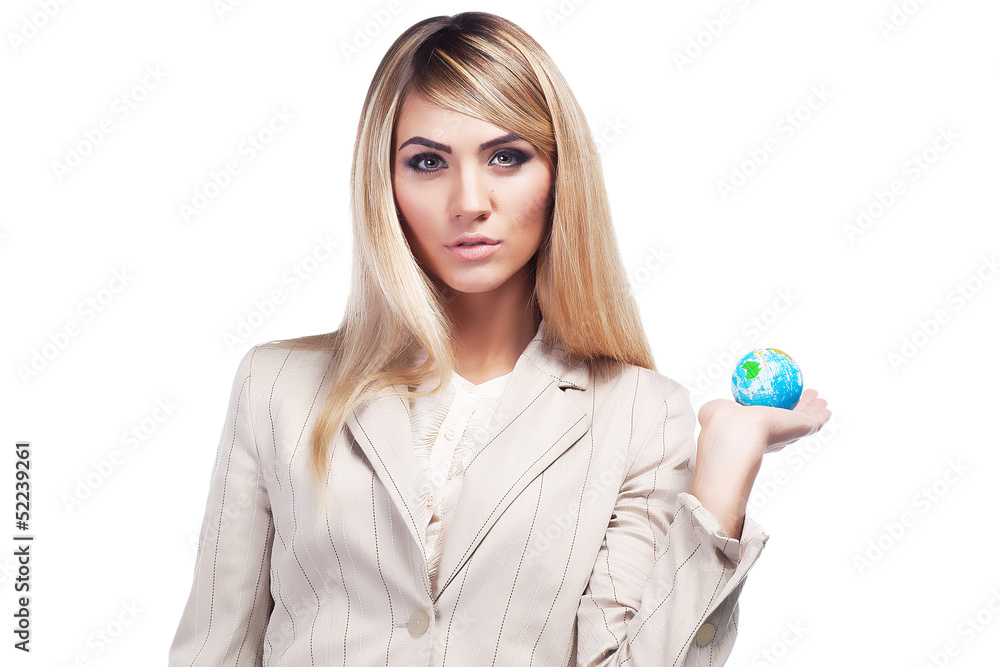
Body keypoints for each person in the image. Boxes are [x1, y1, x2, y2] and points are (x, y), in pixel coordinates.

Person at [168, 11, 831, 666]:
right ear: (385, 184)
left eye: (507, 157)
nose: (469, 199)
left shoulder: (643, 414)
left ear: (558, 174)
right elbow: (214, 648)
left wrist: (725, 472)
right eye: (427, 161)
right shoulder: (275, 385)